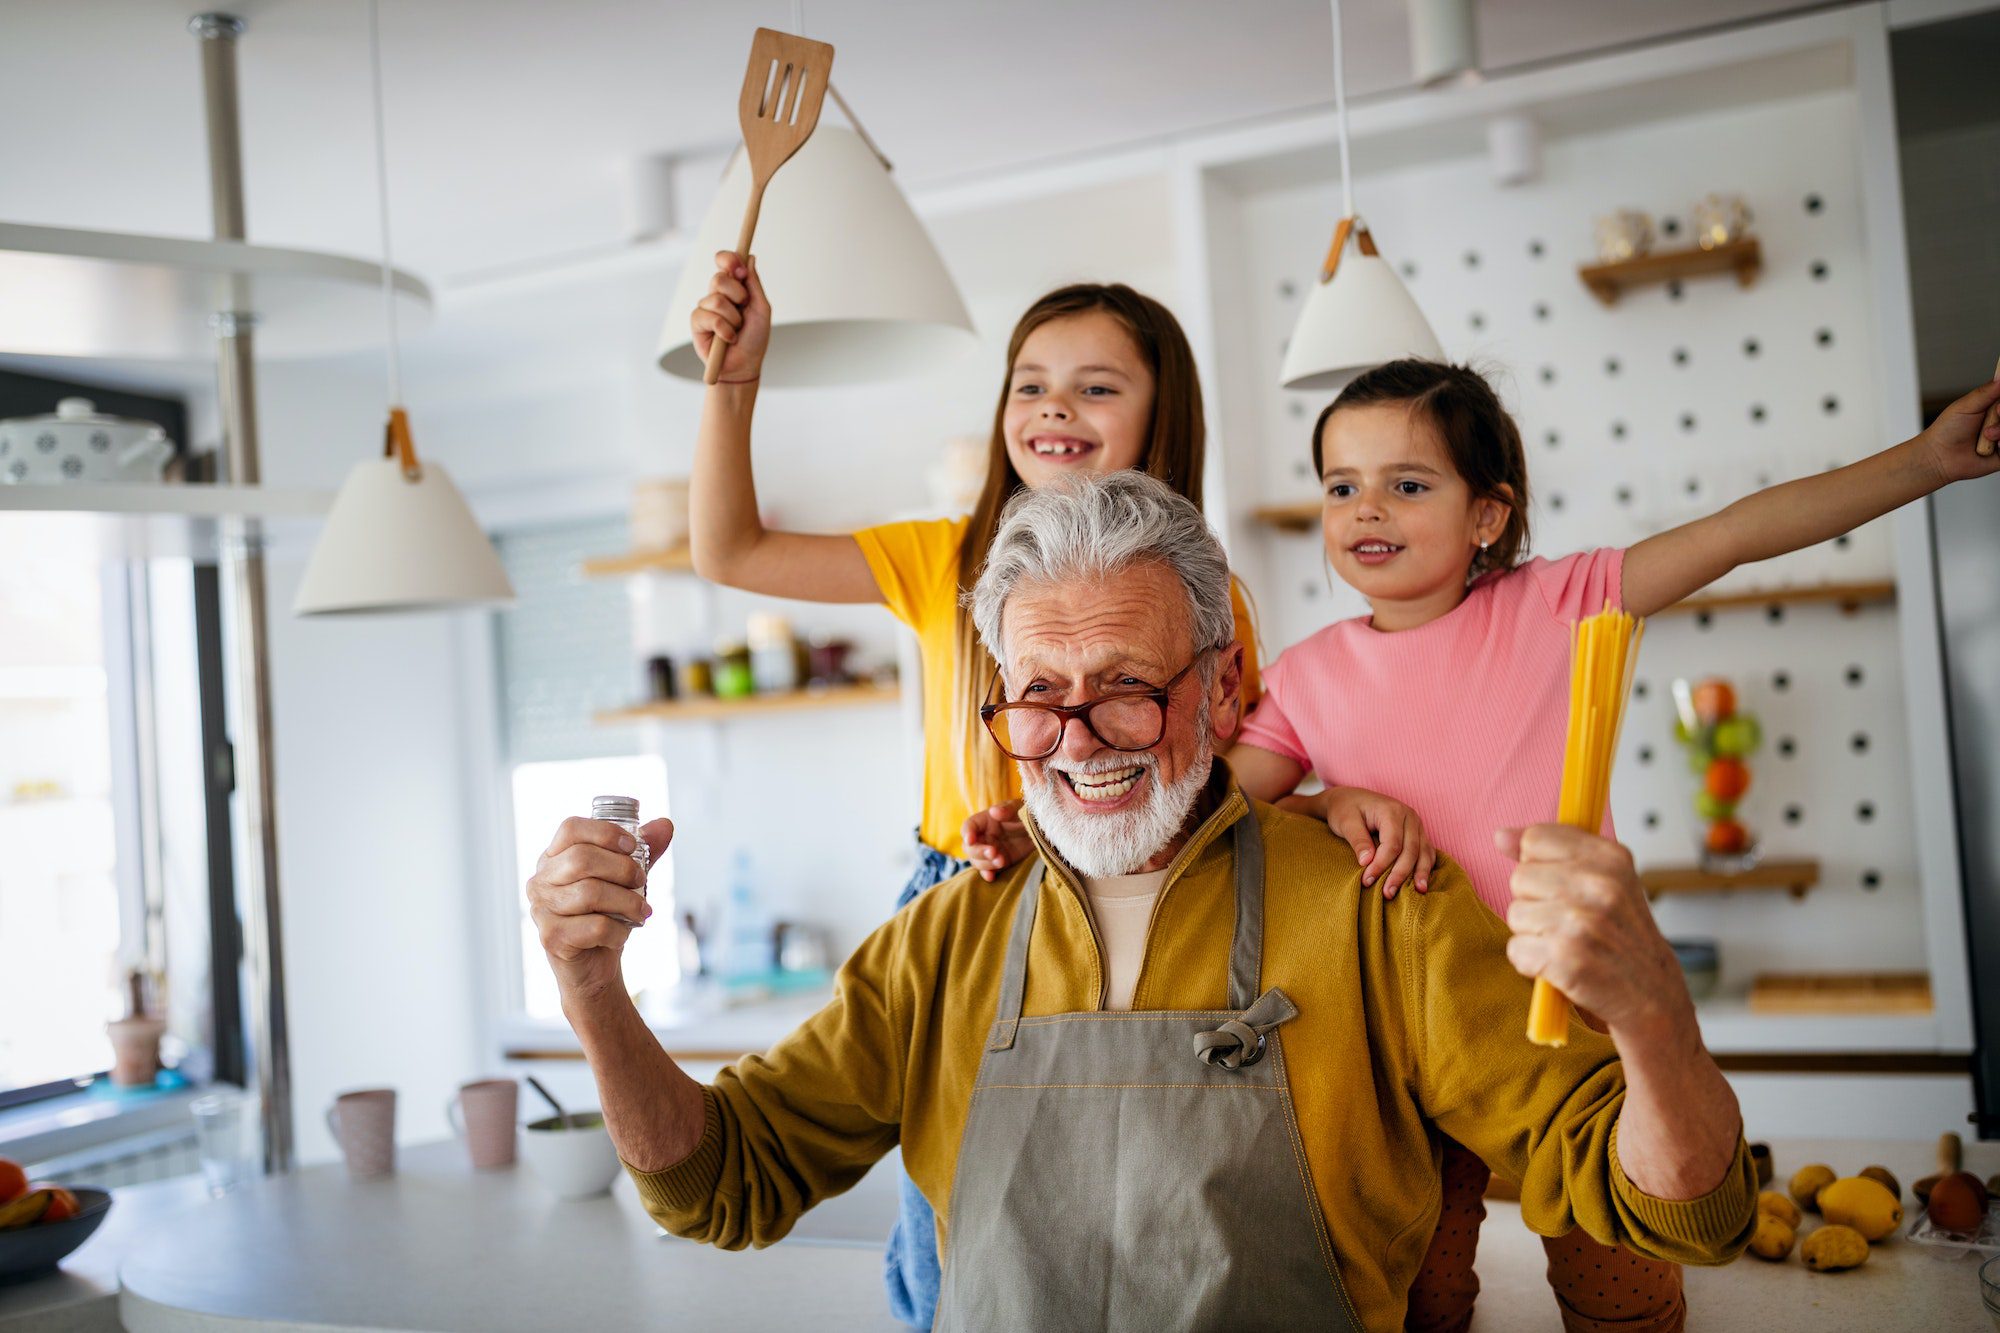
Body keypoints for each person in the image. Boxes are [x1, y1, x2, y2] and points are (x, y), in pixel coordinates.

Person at [529, 471, 1758, 1332]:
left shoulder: (1383, 909)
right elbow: (716, 1185)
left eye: (1126, 686)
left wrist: (1650, 1018)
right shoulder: (945, 935)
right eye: (1037, 696)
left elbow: (1674, 1208)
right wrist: (594, 993)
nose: (1076, 742)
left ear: (1226, 687)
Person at [688, 256, 1425, 1325]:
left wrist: (1323, 804)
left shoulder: (1206, 602)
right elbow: (728, 546)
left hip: (1138, 912)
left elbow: (1220, 790)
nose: (1052, 409)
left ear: (1161, 415)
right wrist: (732, 383)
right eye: (1028, 383)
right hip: (969, 899)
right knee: (957, 1229)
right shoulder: (945, 558)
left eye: (1095, 385)